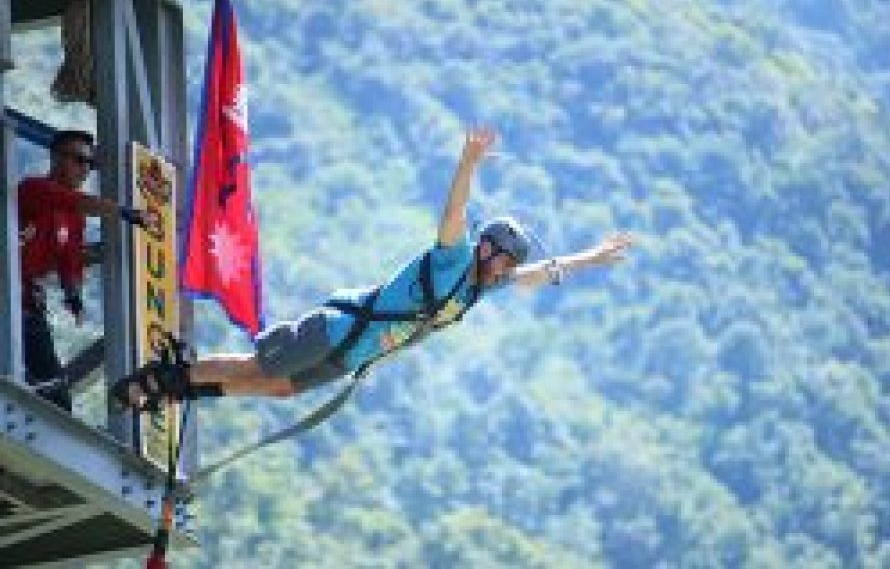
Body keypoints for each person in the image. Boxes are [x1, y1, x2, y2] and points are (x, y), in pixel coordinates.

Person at [112, 128, 635, 410]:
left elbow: (543, 272)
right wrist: (468, 164)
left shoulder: (480, 292)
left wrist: (593, 256)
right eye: (497, 252)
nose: (501, 265)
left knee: (275, 387)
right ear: (484, 246)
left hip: (351, 356)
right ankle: (164, 378)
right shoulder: (452, 259)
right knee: (259, 367)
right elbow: (453, 215)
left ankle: (183, 389)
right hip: (342, 328)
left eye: (506, 261)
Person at [20, 129, 149, 411]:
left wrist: (73, 295)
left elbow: (70, 259)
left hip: (29, 307)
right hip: (10, 299)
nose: (85, 169)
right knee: (32, 378)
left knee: (54, 392)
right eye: (79, 160)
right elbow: (74, 201)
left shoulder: (74, 218)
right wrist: (125, 212)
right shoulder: (34, 189)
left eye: (89, 163)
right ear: (55, 158)